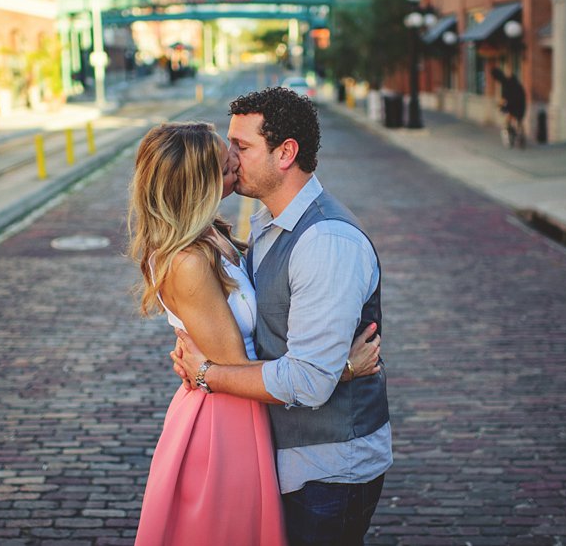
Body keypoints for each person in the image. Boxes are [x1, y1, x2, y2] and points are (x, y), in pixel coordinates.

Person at [129, 121, 382, 546]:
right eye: (226, 166)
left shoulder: (211, 233)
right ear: (199, 182)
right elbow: (236, 368)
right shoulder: (187, 261)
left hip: (244, 410)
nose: (235, 162)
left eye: (238, 152)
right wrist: (342, 368)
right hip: (225, 419)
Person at [491, 67, 526, 149]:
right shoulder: (512, 80)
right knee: (519, 120)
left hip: (514, 103)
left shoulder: (504, 83)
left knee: (509, 118)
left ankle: (512, 136)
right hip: (521, 101)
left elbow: (504, 99)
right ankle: (520, 134)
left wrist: (498, 105)